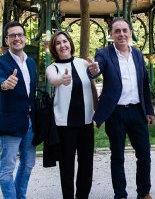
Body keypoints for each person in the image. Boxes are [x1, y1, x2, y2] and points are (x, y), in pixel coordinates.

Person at [88, 18, 155, 199]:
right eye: (117, 31)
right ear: (111, 35)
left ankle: (143, 192)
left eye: (125, 30)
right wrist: (93, 70)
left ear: (130, 33)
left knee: (144, 155)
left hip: (137, 112)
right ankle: (121, 194)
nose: (121, 34)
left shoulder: (138, 55)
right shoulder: (103, 53)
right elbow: (96, 68)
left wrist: (149, 110)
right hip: (115, 113)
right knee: (117, 157)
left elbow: (145, 85)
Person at [45, 31, 96, 199]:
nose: (62, 45)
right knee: (66, 167)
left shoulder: (82, 63)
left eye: (65, 41)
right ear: (54, 48)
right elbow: (53, 80)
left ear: (70, 43)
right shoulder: (52, 68)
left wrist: (98, 113)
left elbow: (93, 85)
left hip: (86, 123)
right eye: (58, 43)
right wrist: (62, 80)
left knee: (86, 165)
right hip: (64, 126)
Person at [0, 21, 37, 199]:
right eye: (13, 35)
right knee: (7, 169)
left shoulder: (31, 62)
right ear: (7, 39)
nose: (17, 38)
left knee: (28, 164)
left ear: (24, 37)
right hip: (10, 123)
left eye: (20, 34)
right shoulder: (0, 62)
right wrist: (3, 84)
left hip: (30, 123)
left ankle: (20, 196)